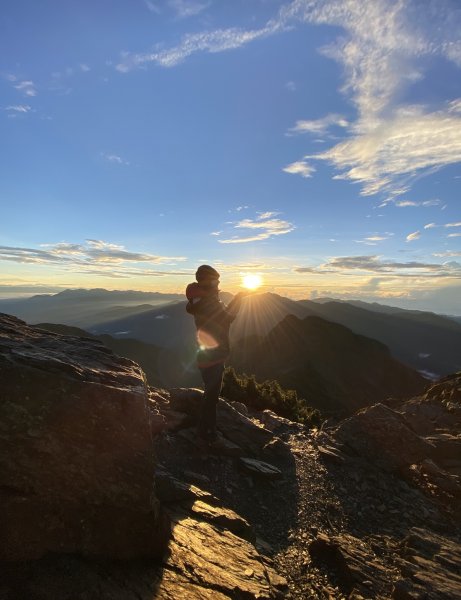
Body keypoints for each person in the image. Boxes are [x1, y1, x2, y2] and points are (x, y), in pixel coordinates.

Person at [186, 264, 246, 447]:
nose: (218, 283)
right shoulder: (207, 301)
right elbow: (228, 317)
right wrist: (239, 298)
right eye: (215, 280)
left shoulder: (202, 300)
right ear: (205, 280)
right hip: (213, 356)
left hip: (208, 354)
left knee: (211, 393)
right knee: (211, 396)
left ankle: (205, 429)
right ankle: (207, 435)